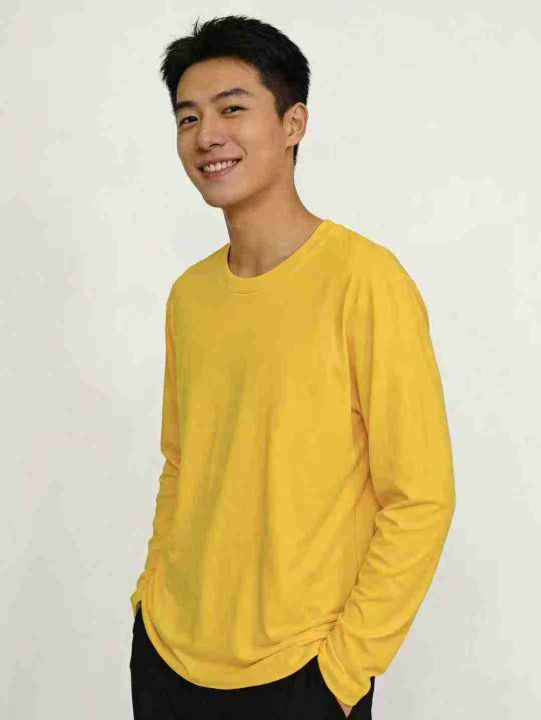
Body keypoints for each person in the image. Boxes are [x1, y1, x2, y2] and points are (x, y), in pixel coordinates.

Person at [129, 14, 456, 720]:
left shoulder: (364, 281)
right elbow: (182, 462)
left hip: (300, 671)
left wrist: (341, 671)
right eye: (188, 117)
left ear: (293, 123)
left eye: (232, 109)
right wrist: (148, 605)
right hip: (169, 658)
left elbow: (420, 497)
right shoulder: (191, 296)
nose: (206, 135)